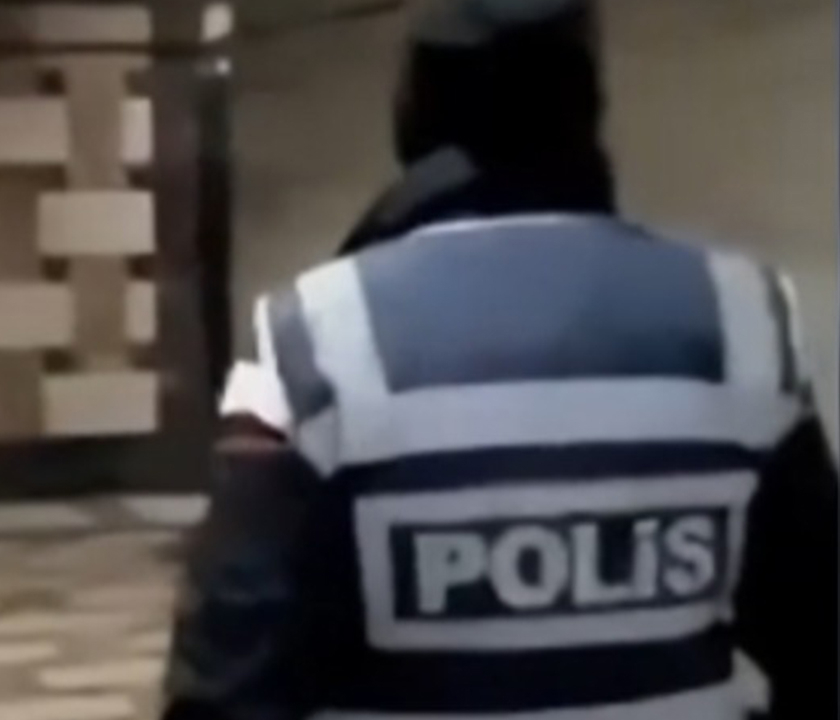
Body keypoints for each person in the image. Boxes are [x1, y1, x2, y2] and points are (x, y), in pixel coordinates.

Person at [160, 2, 838, 720]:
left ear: (412, 115)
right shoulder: (746, 318)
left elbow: (225, 688)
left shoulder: (308, 339)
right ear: (589, 109)